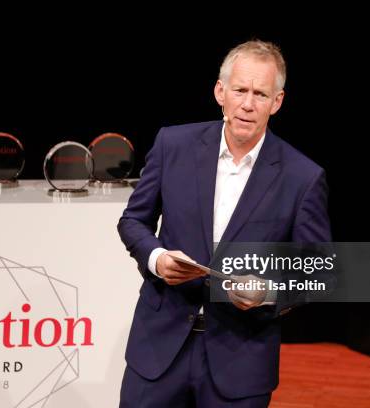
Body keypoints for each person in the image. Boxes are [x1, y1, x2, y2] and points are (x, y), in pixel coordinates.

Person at [117, 39, 331, 407]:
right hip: (157, 351)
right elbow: (133, 220)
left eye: (261, 94)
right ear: (220, 92)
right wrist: (156, 259)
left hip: (240, 360)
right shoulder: (173, 144)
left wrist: (268, 292)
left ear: (277, 102)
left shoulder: (303, 177)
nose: (248, 104)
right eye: (240, 90)